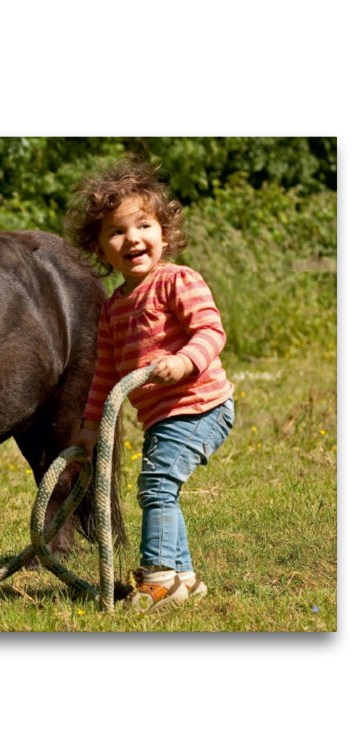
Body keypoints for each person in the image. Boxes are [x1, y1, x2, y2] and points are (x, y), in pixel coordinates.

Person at [65, 158, 234, 612]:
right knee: (161, 487)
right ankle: (183, 578)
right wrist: (89, 427)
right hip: (162, 414)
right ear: (101, 251)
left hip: (201, 406)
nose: (133, 238)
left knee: (156, 485)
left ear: (164, 233)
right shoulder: (112, 308)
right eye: (117, 232)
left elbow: (211, 332)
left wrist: (184, 362)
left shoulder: (179, 280)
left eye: (143, 224)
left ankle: (158, 577)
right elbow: (105, 375)